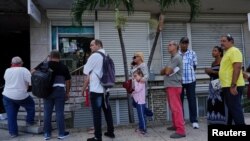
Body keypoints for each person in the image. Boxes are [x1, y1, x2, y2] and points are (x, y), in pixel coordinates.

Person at [33, 50, 71, 140]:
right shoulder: (63, 66)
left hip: (47, 91)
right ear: (59, 57)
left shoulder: (44, 65)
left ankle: (47, 134)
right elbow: (68, 81)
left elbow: (33, 72)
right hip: (59, 90)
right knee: (59, 113)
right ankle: (61, 134)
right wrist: (67, 92)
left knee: (47, 113)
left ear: (50, 56)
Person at [82, 39, 115, 141]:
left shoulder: (94, 56)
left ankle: (97, 137)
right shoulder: (107, 55)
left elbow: (85, 70)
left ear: (98, 45)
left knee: (97, 114)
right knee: (107, 111)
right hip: (106, 89)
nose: (90, 47)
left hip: (96, 89)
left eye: (92, 45)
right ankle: (110, 132)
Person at [2, 56, 35, 138]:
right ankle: (29, 121)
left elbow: (6, 79)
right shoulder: (24, 70)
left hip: (7, 95)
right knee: (31, 105)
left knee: (11, 115)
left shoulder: (7, 70)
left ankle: (13, 133)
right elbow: (31, 83)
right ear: (21, 63)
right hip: (20, 95)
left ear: (11, 64)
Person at [160, 41, 186, 138]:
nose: (168, 46)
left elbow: (166, 71)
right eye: (168, 44)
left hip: (174, 86)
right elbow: (162, 71)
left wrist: (166, 69)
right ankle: (175, 125)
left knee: (176, 108)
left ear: (176, 47)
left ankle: (181, 131)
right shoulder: (172, 58)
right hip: (171, 86)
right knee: (173, 108)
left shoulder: (176, 57)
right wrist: (166, 69)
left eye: (170, 44)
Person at [219, 34, 245, 125]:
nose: (221, 43)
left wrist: (233, 85)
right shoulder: (227, 52)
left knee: (235, 109)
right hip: (227, 85)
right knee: (231, 110)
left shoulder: (234, 51)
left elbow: (237, 67)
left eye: (224, 41)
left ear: (231, 42)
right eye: (221, 41)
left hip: (233, 86)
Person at [178, 37, 199, 129]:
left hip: (191, 80)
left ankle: (194, 120)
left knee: (192, 100)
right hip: (179, 81)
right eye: (183, 42)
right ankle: (181, 120)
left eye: (186, 43)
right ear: (180, 43)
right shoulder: (176, 54)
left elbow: (194, 66)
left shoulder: (192, 53)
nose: (184, 44)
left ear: (188, 44)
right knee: (179, 101)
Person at [205, 46, 227, 125]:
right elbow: (212, 74)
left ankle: (221, 120)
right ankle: (213, 119)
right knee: (211, 102)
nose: (212, 52)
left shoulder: (223, 61)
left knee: (220, 101)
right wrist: (208, 72)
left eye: (215, 51)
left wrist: (213, 71)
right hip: (212, 84)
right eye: (212, 50)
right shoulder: (213, 63)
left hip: (220, 84)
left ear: (220, 53)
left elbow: (224, 73)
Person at [131, 68, 147, 135]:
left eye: (135, 76)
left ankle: (143, 129)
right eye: (133, 76)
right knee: (140, 115)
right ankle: (141, 127)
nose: (134, 78)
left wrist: (134, 82)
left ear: (140, 75)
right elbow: (133, 89)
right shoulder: (137, 82)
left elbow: (137, 89)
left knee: (141, 116)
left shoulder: (141, 82)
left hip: (140, 102)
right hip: (137, 101)